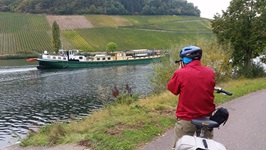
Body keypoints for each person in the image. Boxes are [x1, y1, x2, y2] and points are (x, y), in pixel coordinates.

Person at [167, 46, 216, 149]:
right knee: (207, 146)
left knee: (180, 147)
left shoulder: (181, 73)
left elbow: (172, 89)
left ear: (185, 59)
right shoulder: (210, 72)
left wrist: (180, 70)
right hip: (205, 117)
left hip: (187, 117)